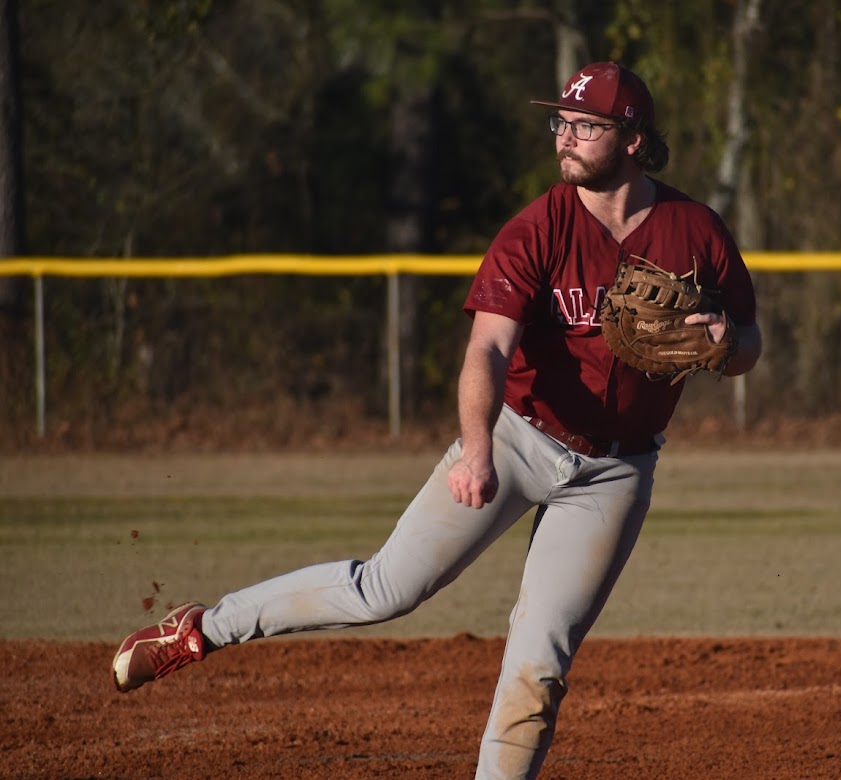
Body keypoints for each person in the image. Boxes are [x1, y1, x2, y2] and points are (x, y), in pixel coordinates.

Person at [111, 61, 762, 779]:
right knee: (384, 590)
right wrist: (478, 449)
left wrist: (725, 340)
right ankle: (203, 630)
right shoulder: (537, 228)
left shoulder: (695, 230)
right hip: (518, 436)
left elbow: (747, 348)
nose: (566, 137)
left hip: (615, 471)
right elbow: (486, 347)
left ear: (634, 139)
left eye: (586, 125)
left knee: (540, 659)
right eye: (562, 123)